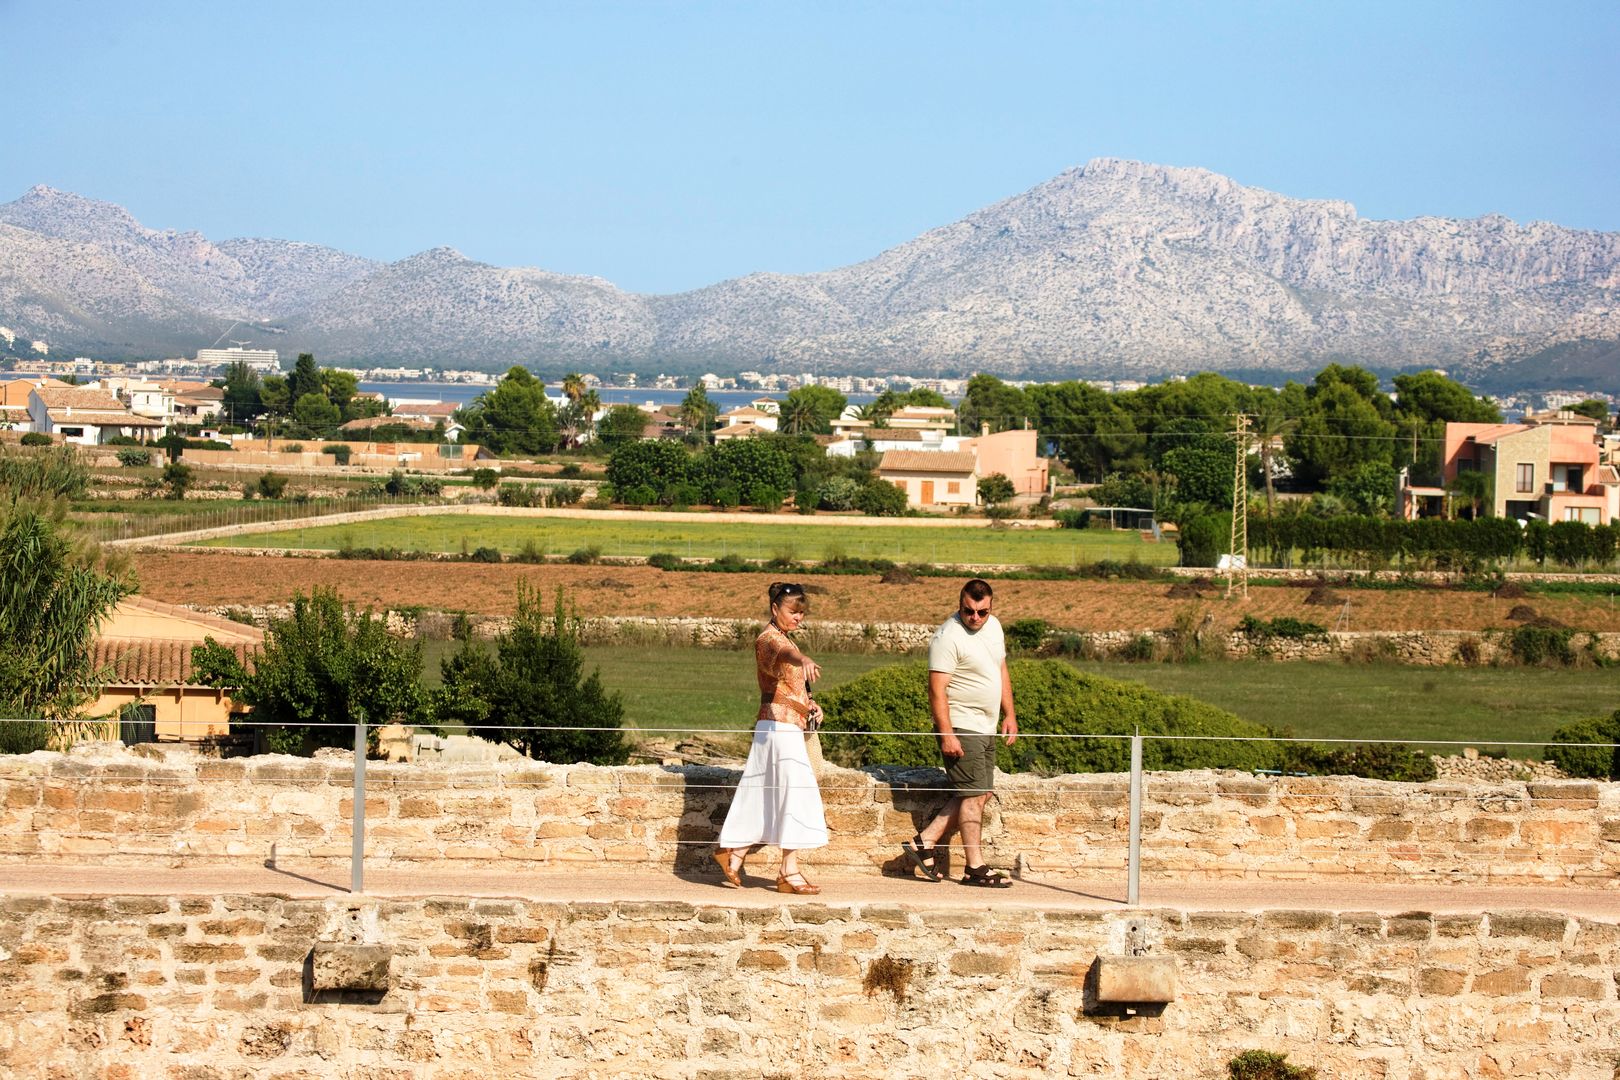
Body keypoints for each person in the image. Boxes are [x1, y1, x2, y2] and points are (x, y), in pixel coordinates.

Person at [713, 582, 829, 894]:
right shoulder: (770, 640)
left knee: (764, 791)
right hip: (779, 728)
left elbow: (789, 685)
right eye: (793, 612)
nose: (799, 618)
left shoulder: (781, 638)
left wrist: (809, 703)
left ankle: (734, 853)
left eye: (802, 613)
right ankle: (788, 871)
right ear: (775, 608)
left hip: (781, 725)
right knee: (797, 792)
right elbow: (787, 654)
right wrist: (802, 659)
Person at [903, 578, 1017, 887]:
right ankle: (974, 868)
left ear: (991, 608)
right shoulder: (947, 636)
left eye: (983, 612)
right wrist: (947, 734)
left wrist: (1010, 713)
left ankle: (923, 842)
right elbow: (936, 691)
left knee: (981, 792)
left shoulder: (994, 628)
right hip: (962, 725)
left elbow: (1000, 669)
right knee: (972, 794)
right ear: (960, 605)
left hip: (987, 726)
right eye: (969, 612)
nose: (976, 618)